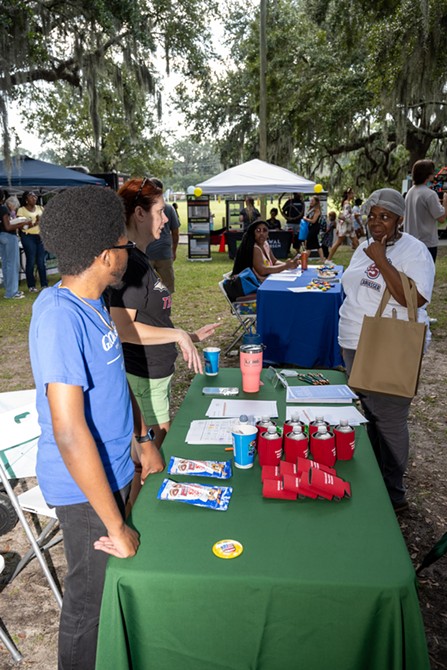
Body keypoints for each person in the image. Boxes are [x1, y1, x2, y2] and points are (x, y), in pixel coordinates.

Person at [29, 185, 164, 670]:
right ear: (107, 255)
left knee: (113, 589)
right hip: (85, 492)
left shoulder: (95, 302)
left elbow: (114, 381)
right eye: (124, 245)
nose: (129, 252)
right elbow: (68, 432)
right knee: (90, 603)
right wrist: (114, 524)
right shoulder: (60, 318)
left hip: (116, 466)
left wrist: (143, 437)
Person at [338, 188, 435, 513]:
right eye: (372, 215)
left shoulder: (415, 250)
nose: (376, 223)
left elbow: (416, 300)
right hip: (353, 342)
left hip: (387, 343)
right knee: (370, 416)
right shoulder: (364, 246)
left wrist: (382, 261)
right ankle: (377, 482)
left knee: (390, 418)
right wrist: (372, 254)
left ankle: (394, 496)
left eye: (385, 216)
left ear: (399, 219)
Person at [109, 178, 219, 453]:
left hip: (156, 376)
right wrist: (177, 335)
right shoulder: (131, 264)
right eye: (160, 211)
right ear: (139, 213)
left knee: (146, 463)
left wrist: (190, 335)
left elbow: (148, 320)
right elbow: (122, 328)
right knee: (151, 459)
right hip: (143, 378)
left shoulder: (140, 258)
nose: (165, 220)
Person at [404, 158, 447, 263]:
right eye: (432, 173)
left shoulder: (410, 192)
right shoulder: (429, 194)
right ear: (427, 175)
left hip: (411, 242)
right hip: (427, 244)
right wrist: (445, 200)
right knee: (427, 274)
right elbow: (441, 218)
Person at [232, 220, 299, 281]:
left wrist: (290, 264)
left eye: (264, 230)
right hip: (250, 283)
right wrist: (285, 266)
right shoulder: (255, 248)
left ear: (268, 234)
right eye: (258, 230)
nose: (261, 233)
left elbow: (274, 261)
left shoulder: (265, 244)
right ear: (253, 233)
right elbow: (262, 270)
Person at [146, 179, 180, 294]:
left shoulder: (143, 208)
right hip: (159, 253)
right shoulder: (168, 208)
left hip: (152, 253)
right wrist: (173, 251)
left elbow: (175, 232)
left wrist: (173, 251)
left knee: (147, 286)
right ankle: (164, 307)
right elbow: (175, 232)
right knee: (167, 287)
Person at [17, 191, 48, 292]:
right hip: (28, 237)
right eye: (31, 196)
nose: (34, 197)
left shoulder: (40, 208)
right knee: (30, 261)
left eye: (35, 196)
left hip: (40, 237)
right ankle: (31, 286)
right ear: (26, 199)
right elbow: (21, 227)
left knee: (41, 262)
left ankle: (44, 285)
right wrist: (34, 224)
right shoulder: (21, 210)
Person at [0, 191, 27, 299]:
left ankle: (9, 289)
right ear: (3, 198)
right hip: (8, 236)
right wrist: (23, 223)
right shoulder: (3, 209)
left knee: (6, 263)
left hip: (1, 236)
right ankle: (12, 292)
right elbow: (8, 227)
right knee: (13, 264)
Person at [327, 188, 359, 260]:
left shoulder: (346, 203)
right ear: (349, 194)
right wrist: (354, 215)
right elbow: (346, 216)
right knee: (338, 242)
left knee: (356, 242)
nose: (353, 195)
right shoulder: (347, 203)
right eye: (352, 193)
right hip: (345, 227)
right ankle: (328, 259)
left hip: (348, 227)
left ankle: (360, 259)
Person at [303, 196, 325, 261]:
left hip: (314, 228)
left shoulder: (317, 210)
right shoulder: (311, 209)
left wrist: (306, 219)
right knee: (317, 245)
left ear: (316, 202)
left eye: (313, 201)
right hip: (311, 227)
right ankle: (322, 259)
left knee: (309, 243)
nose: (311, 202)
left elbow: (313, 221)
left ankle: (304, 259)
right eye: (311, 201)